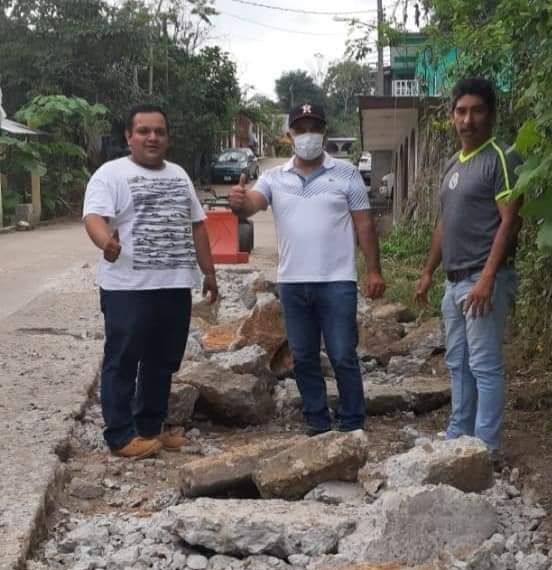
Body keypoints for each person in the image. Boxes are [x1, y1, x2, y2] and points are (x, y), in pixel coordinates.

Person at [229, 102, 385, 435]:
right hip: (293, 282)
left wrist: (374, 271)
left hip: (337, 281)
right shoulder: (274, 177)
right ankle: (316, 420)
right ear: (290, 136)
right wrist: (240, 202)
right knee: (303, 357)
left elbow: (365, 225)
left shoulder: (346, 174)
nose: (308, 136)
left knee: (343, 353)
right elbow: (253, 203)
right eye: (301, 129)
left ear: (324, 132)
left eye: (314, 128)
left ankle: (353, 421)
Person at [83, 104, 218, 459]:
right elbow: (94, 216)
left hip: (174, 284)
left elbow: (198, 225)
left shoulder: (179, 175)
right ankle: (120, 435)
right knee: (123, 359)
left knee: (162, 360)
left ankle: (150, 427)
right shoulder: (110, 174)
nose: (152, 137)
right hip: (127, 287)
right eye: (143, 131)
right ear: (129, 137)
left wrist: (210, 272)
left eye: (159, 131)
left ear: (167, 137)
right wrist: (105, 242)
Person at [414, 78, 522, 461]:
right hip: (453, 281)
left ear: (490, 114)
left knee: (485, 364)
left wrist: (489, 279)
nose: (468, 119)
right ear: (451, 116)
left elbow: (510, 221)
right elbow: (446, 222)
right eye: (461, 111)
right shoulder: (452, 164)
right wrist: (429, 271)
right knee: (458, 363)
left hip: (483, 278)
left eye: (477, 110)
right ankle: (461, 435)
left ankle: (487, 448)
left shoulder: (502, 157)